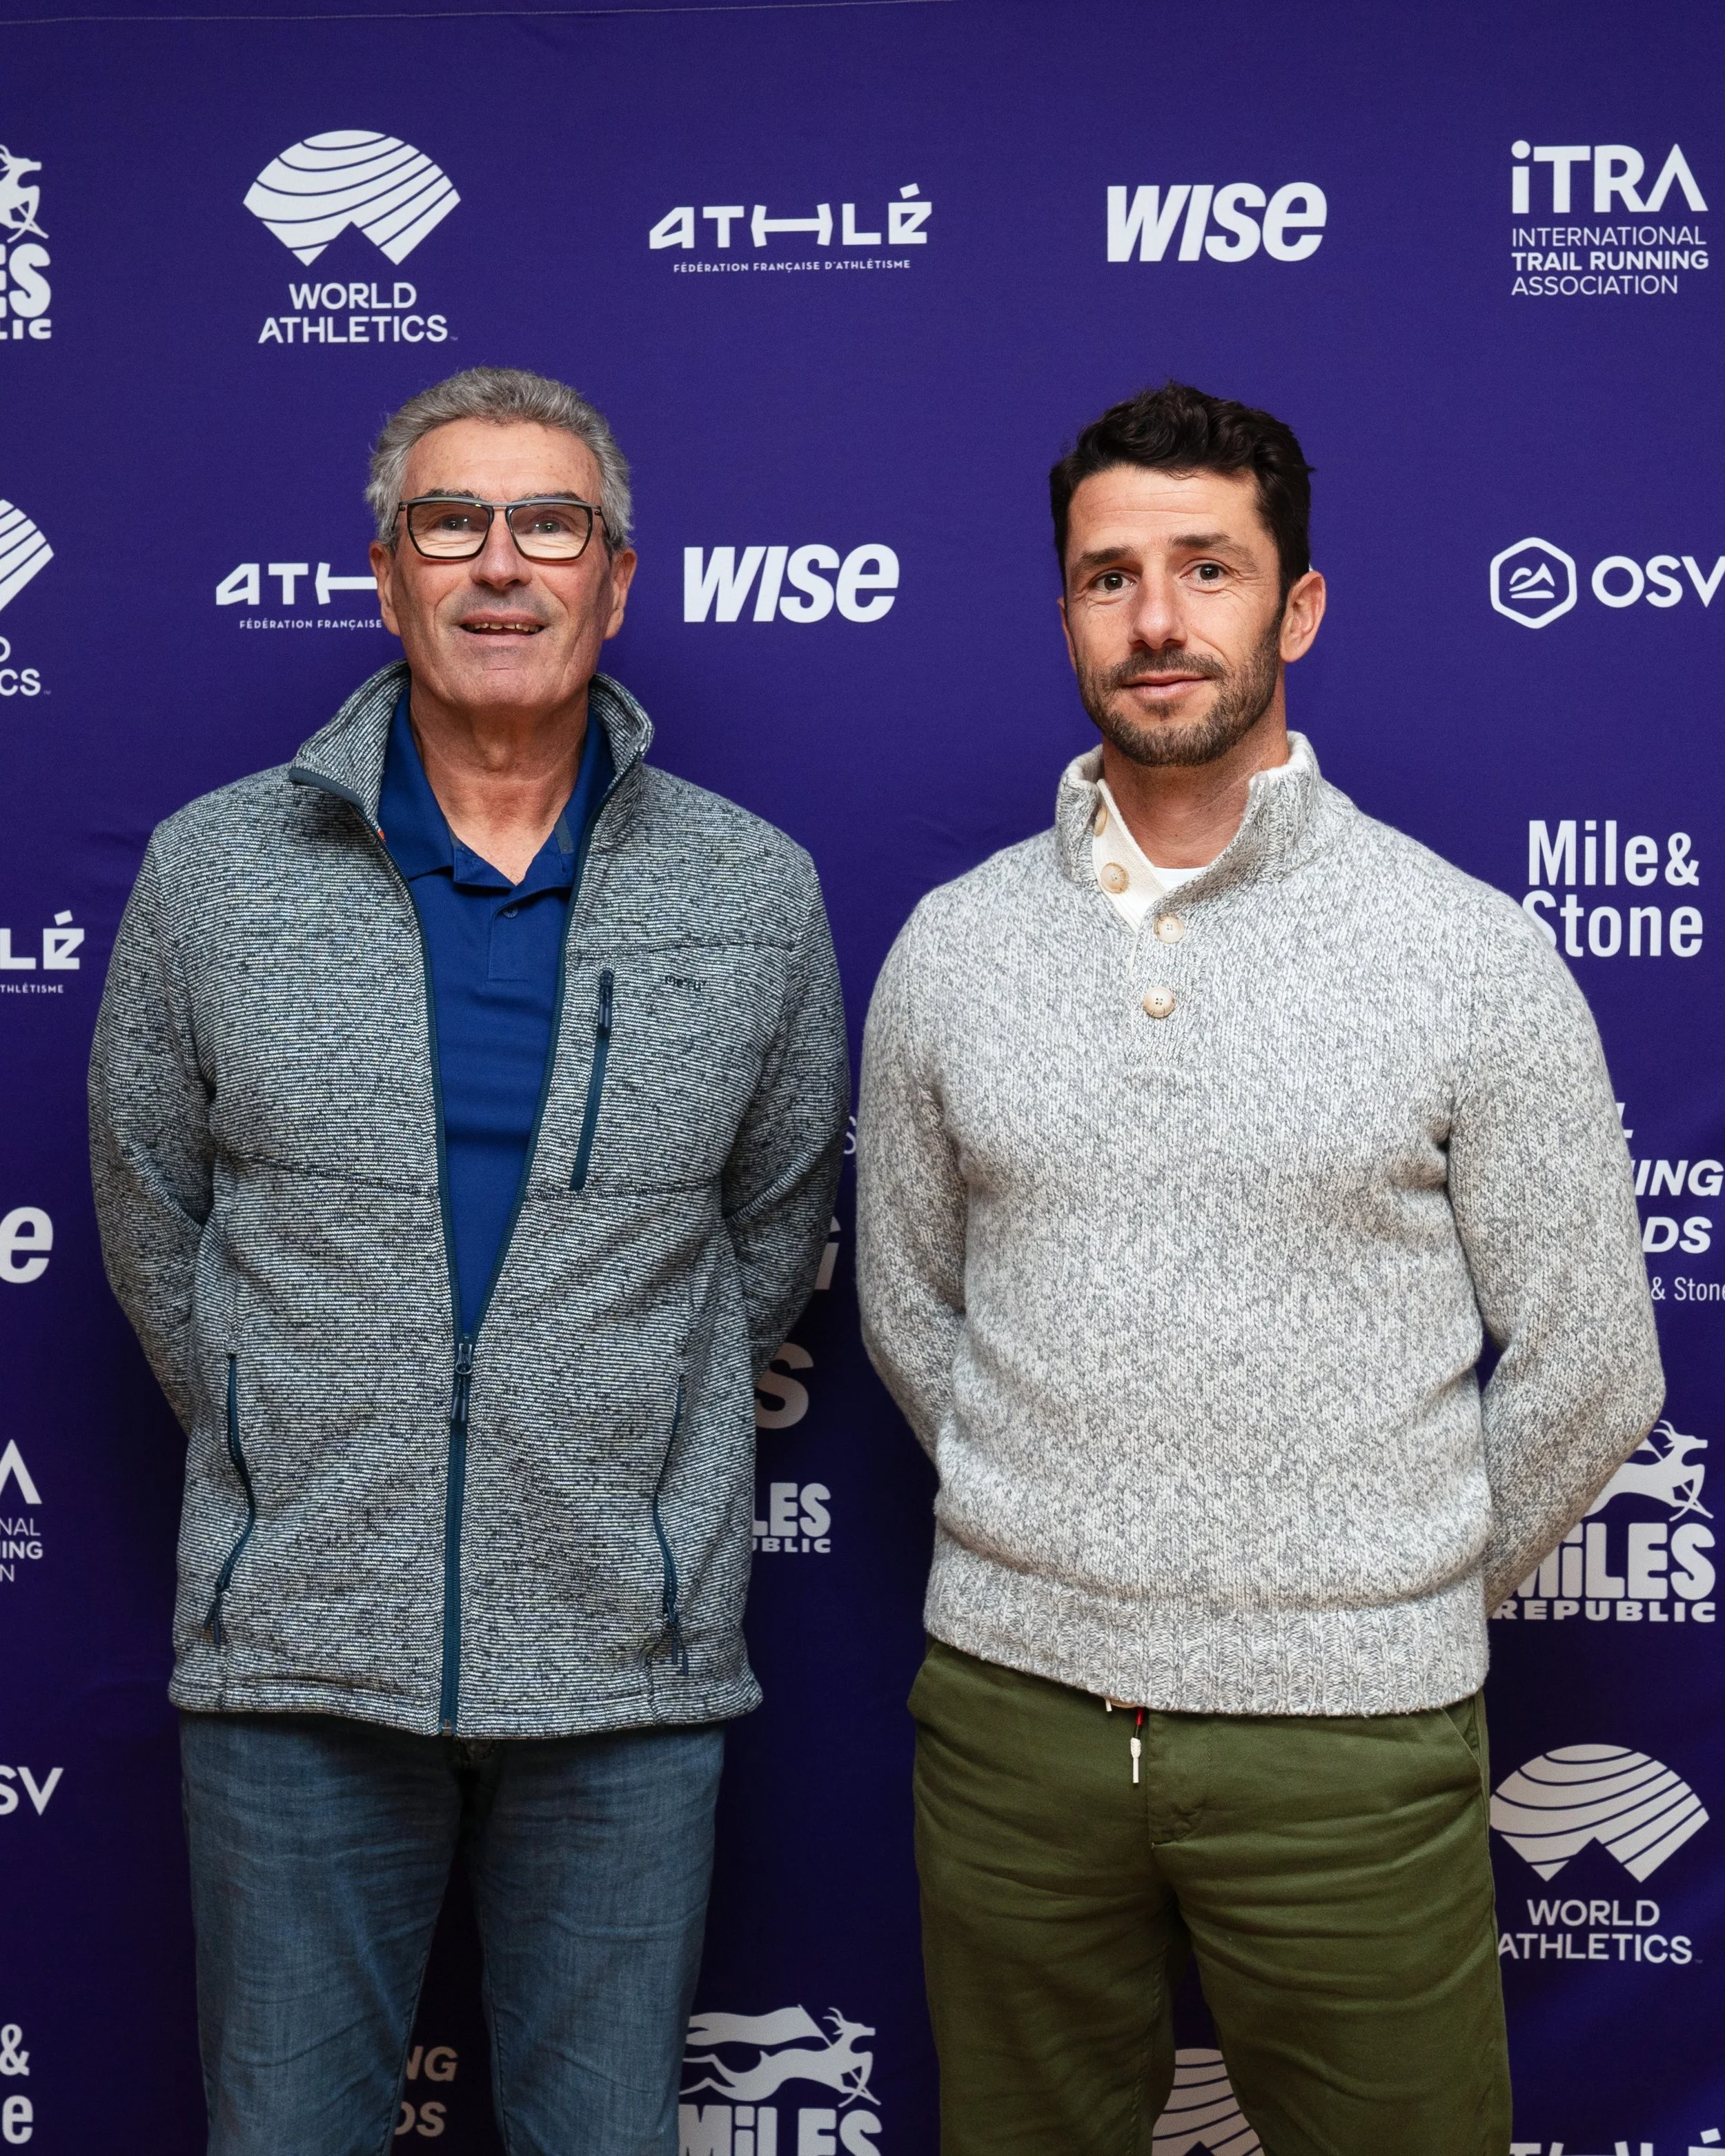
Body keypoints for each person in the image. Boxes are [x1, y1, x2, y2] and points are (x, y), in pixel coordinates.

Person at [855, 380, 1662, 2156]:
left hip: (1349, 1743)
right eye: (1106, 576)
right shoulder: (952, 947)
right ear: (1063, 609)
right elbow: (910, 1306)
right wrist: (1055, 1526)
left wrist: (1371, 1584)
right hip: (1012, 1726)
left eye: (1205, 568)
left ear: (1292, 607)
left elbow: (1594, 1364)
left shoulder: (1465, 954)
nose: (1154, 620)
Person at [90, 365, 849, 2156]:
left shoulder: (754, 890)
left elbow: (768, 1229)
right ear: (387, 573)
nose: (500, 565)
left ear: (616, 577)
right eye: (453, 521)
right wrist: (302, 1435)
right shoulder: (214, 874)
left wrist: (597, 1436)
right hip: (293, 1657)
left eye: (549, 524)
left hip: (624, 1667)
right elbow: (148, 1208)